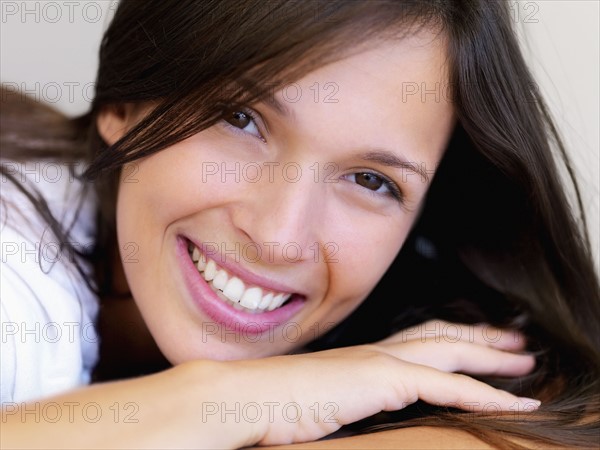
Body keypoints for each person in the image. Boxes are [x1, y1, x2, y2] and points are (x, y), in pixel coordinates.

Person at [1, 1, 598, 449]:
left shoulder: (423, 314)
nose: (279, 237)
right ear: (123, 105)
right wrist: (230, 399)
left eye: (370, 181)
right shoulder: (17, 279)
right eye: (240, 119)